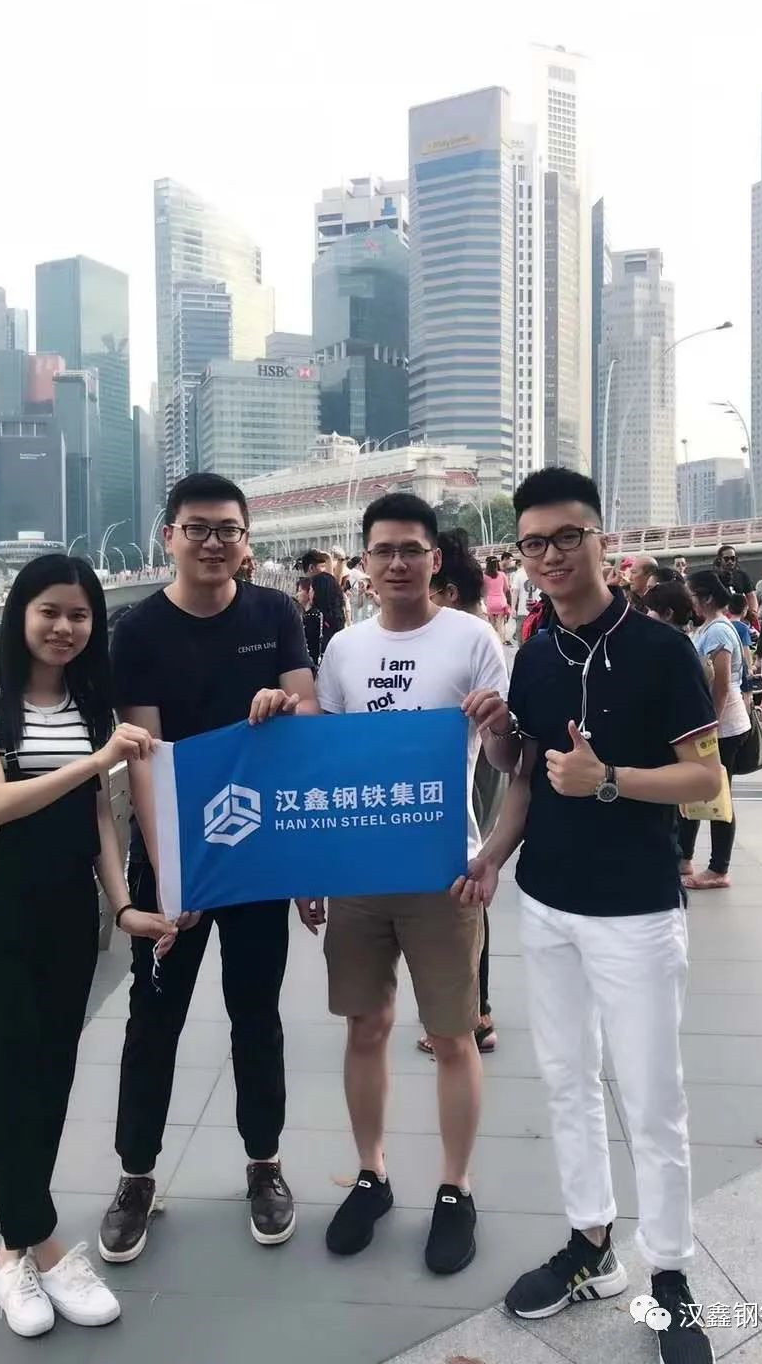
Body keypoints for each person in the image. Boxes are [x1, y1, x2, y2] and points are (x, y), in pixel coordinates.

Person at [453, 467, 719, 1364]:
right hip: (548, 904)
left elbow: (704, 776)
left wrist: (609, 780)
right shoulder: (533, 653)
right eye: (534, 543)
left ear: (603, 539)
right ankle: (591, 1243)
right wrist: (493, 850)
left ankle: (670, 1277)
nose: (552, 556)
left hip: (635, 910)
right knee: (567, 1080)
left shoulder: (662, 649)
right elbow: (525, 779)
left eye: (568, 537)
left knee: (652, 1099)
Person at [0, 554, 178, 1338]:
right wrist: (97, 760)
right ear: (20, 613)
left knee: (47, 1081)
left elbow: (98, 816)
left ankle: (12, 1255)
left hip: (67, 917)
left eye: (80, 615)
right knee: (3, 1083)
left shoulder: (88, 703)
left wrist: (123, 906)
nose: (65, 627)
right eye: (50, 611)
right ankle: (40, 1245)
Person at [99, 473, 319, 1263]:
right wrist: (173, 878)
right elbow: (145, 759)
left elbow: (309, 713)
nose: (214, 542)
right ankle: (136, 1175)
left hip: (257, 855)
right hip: (174, 856)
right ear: (170, 537)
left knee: (256, 1013)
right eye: (198, 528)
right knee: (153, 1018)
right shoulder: (137, 631)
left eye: (229, 529)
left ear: (246, 540)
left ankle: (265, 1164)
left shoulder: (275, 613)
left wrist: (284, 705)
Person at [306, 493, 510, 1276]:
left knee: (453, 1035)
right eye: (383, 550)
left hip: (443, 870)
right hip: (360, 870)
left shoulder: (473, 638)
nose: (397, 563)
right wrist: (313, 867)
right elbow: (324, 764)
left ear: (435, 558)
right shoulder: (343, 650)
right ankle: (373, 1174)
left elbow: (507, 761)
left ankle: (456, 1187)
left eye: (412, 549)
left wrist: (500, 725)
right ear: (363, 562)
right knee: (365, 1025)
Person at [416, 532, 500, 1056]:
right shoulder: (477, 630)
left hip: (471, 770)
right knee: (465, 880)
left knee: (464, 881)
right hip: (471, 772)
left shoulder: (470, 638)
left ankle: (472, 1014)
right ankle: (475, 1010)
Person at [678, 571, 751, 889]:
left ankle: (719, 868)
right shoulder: (709, 627)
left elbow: (720, 685)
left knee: (720, 796)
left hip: (724, 726)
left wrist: (711, 726)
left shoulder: (718, 630)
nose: (689, 601)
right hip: (714, 723)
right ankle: (684, 856)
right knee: (692, 790)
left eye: (691, 595)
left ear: (706, 597)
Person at [712, 544, 758, 618]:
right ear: (719, 559)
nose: (730, 561)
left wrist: (753, 611)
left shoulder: (742, 575)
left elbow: (751, 596)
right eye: (726, 559)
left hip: (740, 615)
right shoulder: (714, 577)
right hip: (721, 616)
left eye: (733, 558)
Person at [482, 555, 512, 644]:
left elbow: (483, 590)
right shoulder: (502, 575)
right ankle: (501, 642)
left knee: (492, 624)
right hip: (501, 602)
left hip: (490, 603)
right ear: (496, 564)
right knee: (500, 624)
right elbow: (506, 589)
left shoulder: (484, 576)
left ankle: (493, 642)